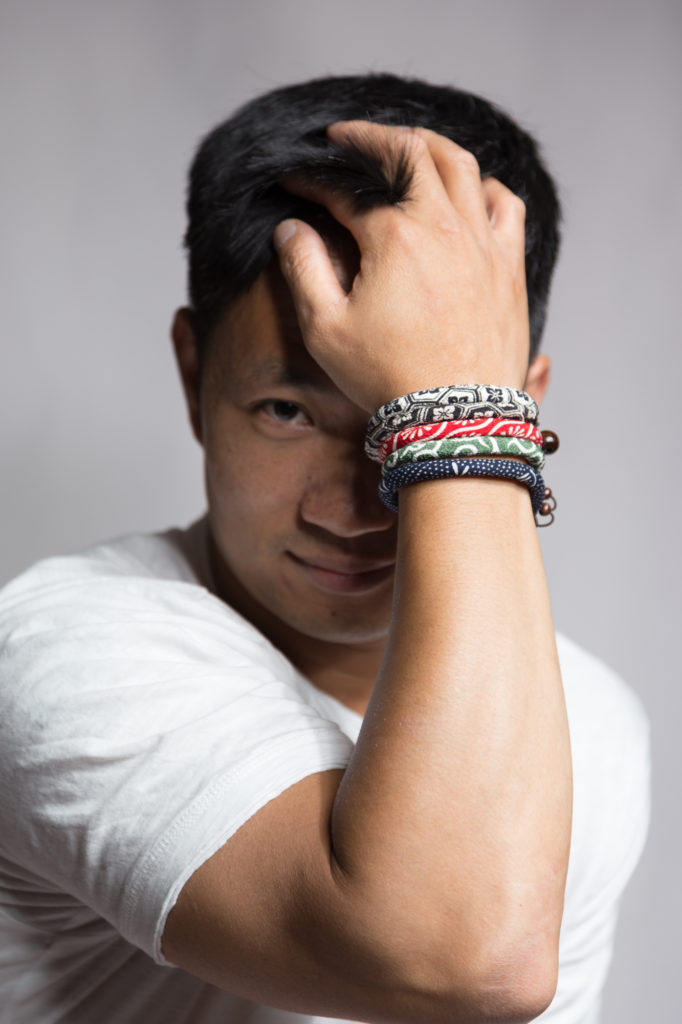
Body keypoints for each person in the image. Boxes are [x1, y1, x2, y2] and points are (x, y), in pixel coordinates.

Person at [0, 73, 649, 1024]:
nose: (348, 511)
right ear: (193, 376)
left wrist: (456, 399)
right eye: (288, 411)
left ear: (527, 403)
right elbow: (462, 958)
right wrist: (465, 418)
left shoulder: (590, 718)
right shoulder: (62, 655)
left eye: (399, 421)